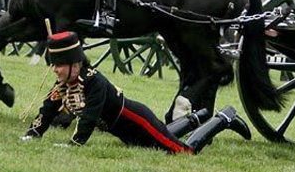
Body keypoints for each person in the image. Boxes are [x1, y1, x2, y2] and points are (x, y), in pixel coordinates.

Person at [21, 31, 251, 154]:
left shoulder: (94, 82)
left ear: (75, 63)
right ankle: (196, 118)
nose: (54, 69)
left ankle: (224, 118)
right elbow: (47, 109)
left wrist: (75, 143)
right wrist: (33, 133)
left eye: (58, 64)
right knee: (160, 140)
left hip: (140, 121)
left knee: (184, 152)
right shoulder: (64, 83)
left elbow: (89, 117)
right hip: (125, 133)